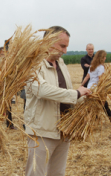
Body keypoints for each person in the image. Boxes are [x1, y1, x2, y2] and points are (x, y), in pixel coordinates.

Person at [24, 26, 91, 176]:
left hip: (63, 130)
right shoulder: (32, 64)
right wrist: (76, 93)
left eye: (66, 46)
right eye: (62, 46)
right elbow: (42, 90)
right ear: (49, 41)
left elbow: (67, 94)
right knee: (36, 173)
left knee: (57, 174)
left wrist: (84, 97)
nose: (65, 51)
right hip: (42, 131)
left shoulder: (61, 64)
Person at [81, 50, 111, 126]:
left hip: (90, 88)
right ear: (101, 58)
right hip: (97, 89)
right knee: (102, 104)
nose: (105, 58)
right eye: (104, 57)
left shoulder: (92, 66)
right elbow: (101, 80)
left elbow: (87, 77)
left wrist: (81, 85)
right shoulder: (100, 67)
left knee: (101, 105)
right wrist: (104, 91)